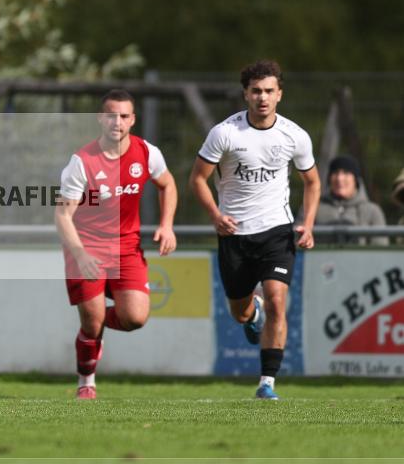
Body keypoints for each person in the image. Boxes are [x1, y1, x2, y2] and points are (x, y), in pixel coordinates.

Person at [189, 60, 320, 400]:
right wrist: (216, 215)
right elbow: (197, 180)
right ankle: (253, 312)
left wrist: (307, 222)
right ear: (246, 94)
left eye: (269, 91)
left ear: (280, 95)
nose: (263, 98)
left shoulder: (294, 136)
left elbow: (312, 182)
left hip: (277, 231)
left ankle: (267, 382)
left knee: (278, 300)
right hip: (234, 235)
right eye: (256, 91)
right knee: (241, 313)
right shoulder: (225, 133)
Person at [54, 89, 178, 400]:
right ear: (100, 118)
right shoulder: (82, 162)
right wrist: (79, 253)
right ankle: (87, 381)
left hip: (127, 247)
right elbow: (62, 215)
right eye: (111, 115)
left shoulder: (147, 153)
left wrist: (166, 225)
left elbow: (168, 184)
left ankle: (94, 332)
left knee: (135, 318)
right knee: (93, 322)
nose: (117, 122)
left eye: (124, 116)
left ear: (133, 120)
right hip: (86, 246)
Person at [314, 155, 387, 246]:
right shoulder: (313, 208)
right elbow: (298, 243)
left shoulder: (372, 211)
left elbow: (380, 249)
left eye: (346, 173)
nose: (339, 178)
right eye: (335, 173)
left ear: (355, 179)